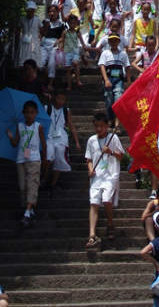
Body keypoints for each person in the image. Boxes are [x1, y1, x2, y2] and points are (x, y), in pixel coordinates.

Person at [85, 111, 124, 247]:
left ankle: (110, 223)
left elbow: (121, 156)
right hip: (97, 176)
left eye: (101, 126)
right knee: (94, 202)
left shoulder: (113, 139)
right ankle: (92, 234)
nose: (99, 129)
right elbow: (89, 159)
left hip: (110, 175)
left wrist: (110, 152)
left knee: (107, 199)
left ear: (107, 126)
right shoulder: (91, 140)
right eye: (96, 126)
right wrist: (90, 169)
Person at [6, 100, 47, 224]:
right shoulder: (19, 126)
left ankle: (27, 212)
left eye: (32, 112)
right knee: (22, 186)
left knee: (32, 184)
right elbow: (15, 144)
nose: (29, 115)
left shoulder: (38, 126)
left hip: (34, 158)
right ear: (23, 113)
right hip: (21, 159)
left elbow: (44, 144)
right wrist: (10, 137)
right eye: (27, 112)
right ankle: (29, 208)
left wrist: (44, 159)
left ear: (36, 113)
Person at [44, 87, 80, 193]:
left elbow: (71, 125)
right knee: (48, 157)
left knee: (59, 157)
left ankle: (53, 183)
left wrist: (77, 142)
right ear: (54, 98)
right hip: (49, 137)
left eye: (63, 99)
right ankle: (44, 178)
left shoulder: (65, 110)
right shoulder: (47, 108)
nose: (60, 101)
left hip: (61, 138)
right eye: (59, 98)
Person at [98, 33, 130, 130]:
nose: (113, 42)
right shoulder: (105, 53)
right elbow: (102, 66)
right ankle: (110, 121)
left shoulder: (123, 54)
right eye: (111, 40)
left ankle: (117, 124)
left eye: (115, 40)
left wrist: (128, 80)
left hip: (118, 80)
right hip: (108, 79)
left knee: (118, 101)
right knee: (109, 101)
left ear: (119, 42)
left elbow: (127, 66)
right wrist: (106, 80)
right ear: (109, 42)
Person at [40, 3, 65, 77]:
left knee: (51, 64)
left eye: (54, 11)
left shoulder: (61, 24)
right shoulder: (45, 22)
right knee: (41, 63)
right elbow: (41, 34)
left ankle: (50, 83)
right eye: (50, 11)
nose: (52, 13)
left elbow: (63, 36)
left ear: (58, 12)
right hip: (44, 44)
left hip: (54, 45)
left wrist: (58, 41)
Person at [16, 1, 42, 67]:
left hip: (34, 40)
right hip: (24, 40)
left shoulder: (37, 19)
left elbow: (42, 29)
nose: (30, 12)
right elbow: (18, 29)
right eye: (29, 10)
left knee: (34, 55)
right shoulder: (22, 19)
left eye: (32, 10)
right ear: (26, 10)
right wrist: (18, 38)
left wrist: (39, 37)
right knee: (23, 55)